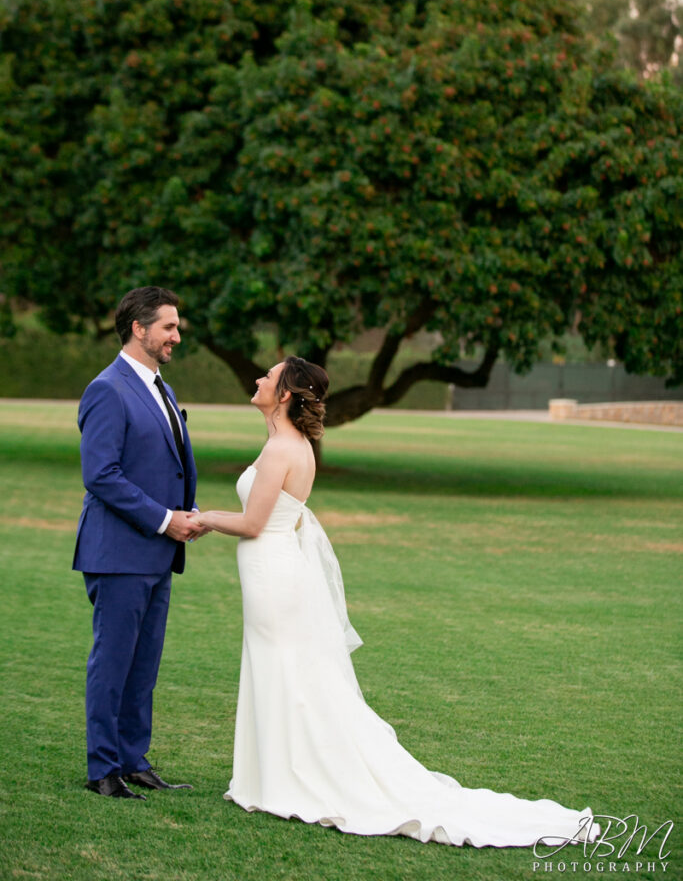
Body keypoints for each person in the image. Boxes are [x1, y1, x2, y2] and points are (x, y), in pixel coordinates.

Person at [188, 356, 602, 848]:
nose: (258, 378)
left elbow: (255, 523)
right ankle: (273, 776)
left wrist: (202, 517)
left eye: (269, 376)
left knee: (285, 670)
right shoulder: (288, 444)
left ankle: (288, 779)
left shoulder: (283, 448)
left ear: (285, 395)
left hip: (273, 574)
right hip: (273, 572)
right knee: (282, 669)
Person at [75, 286, 205, 800]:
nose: (177, 336)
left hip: (157, 552)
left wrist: (186, 513)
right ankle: (102, 769)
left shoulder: (160, 387)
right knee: (113, 663)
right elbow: (101, 474)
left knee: (143, 664)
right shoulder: (108, 389)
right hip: (119, 552)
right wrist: (164, 519)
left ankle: (133, 760)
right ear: (139, 328)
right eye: (169, 327)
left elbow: (162, 464)